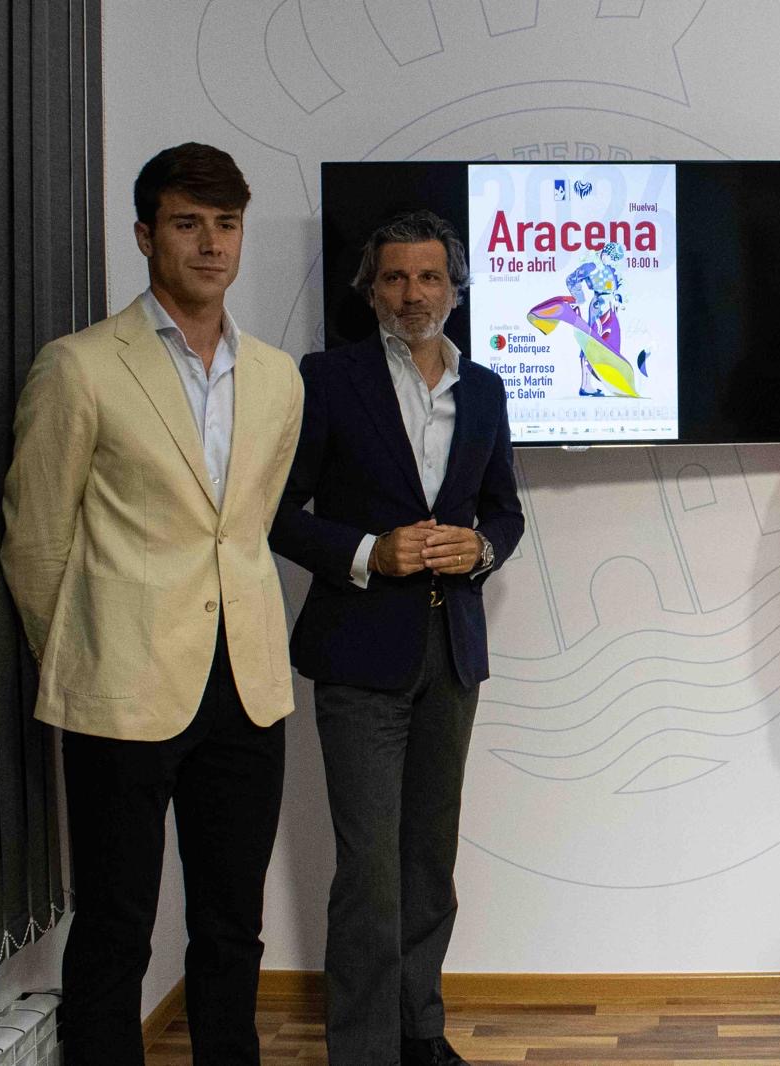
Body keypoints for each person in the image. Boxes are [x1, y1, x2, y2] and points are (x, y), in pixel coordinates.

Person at [0, 143, 303, 1065]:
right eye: (187, 223)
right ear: (144, 235)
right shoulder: (80, 366)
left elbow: (245, 527)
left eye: (226, 225)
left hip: (248, 686)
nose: (211, 244)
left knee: (232, 927)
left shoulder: (279, 377)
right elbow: (35, 540)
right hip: (122, 687)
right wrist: (86, 653)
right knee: (116, 928)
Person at [269, 210, 523, 1066]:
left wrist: (482, 549)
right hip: (356, 655)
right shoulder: (327, 379)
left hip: (452, 654)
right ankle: (364, 1051)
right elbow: (278, 512)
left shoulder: (484, 389)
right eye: (394, 278)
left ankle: (420, 1031)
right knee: (370, 873)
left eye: (429, 277)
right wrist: (367, 552)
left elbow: (506, 511)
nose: (413, 294)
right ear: (370, 289)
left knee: (428, 864)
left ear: (455, 289)